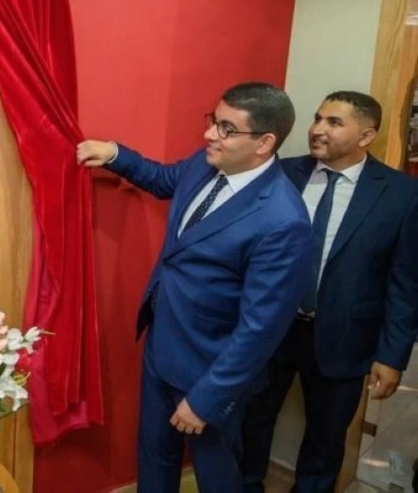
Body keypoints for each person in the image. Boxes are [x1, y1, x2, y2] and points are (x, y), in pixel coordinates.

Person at [77, 82, 313, 493]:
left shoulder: (282, 220)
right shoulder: (206, 165)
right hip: (163, 346)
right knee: (155, 455)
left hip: (211, 369)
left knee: (217, 476)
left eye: (226, 129)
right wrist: (114, 153)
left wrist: (206, 398)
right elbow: (163, 178)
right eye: (213, 121)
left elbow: (261, 329)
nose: (209, 135)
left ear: (264, 143)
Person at [241, 91, 418, 493]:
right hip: (271, 330)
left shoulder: (402, 195)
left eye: (334, 123)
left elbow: (405, 283)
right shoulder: (280, 173)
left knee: (325, 439)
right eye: (318, 118)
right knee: (252, 421)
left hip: (345, 337)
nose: (317, 129)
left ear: (366, 135)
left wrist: (391, 355)